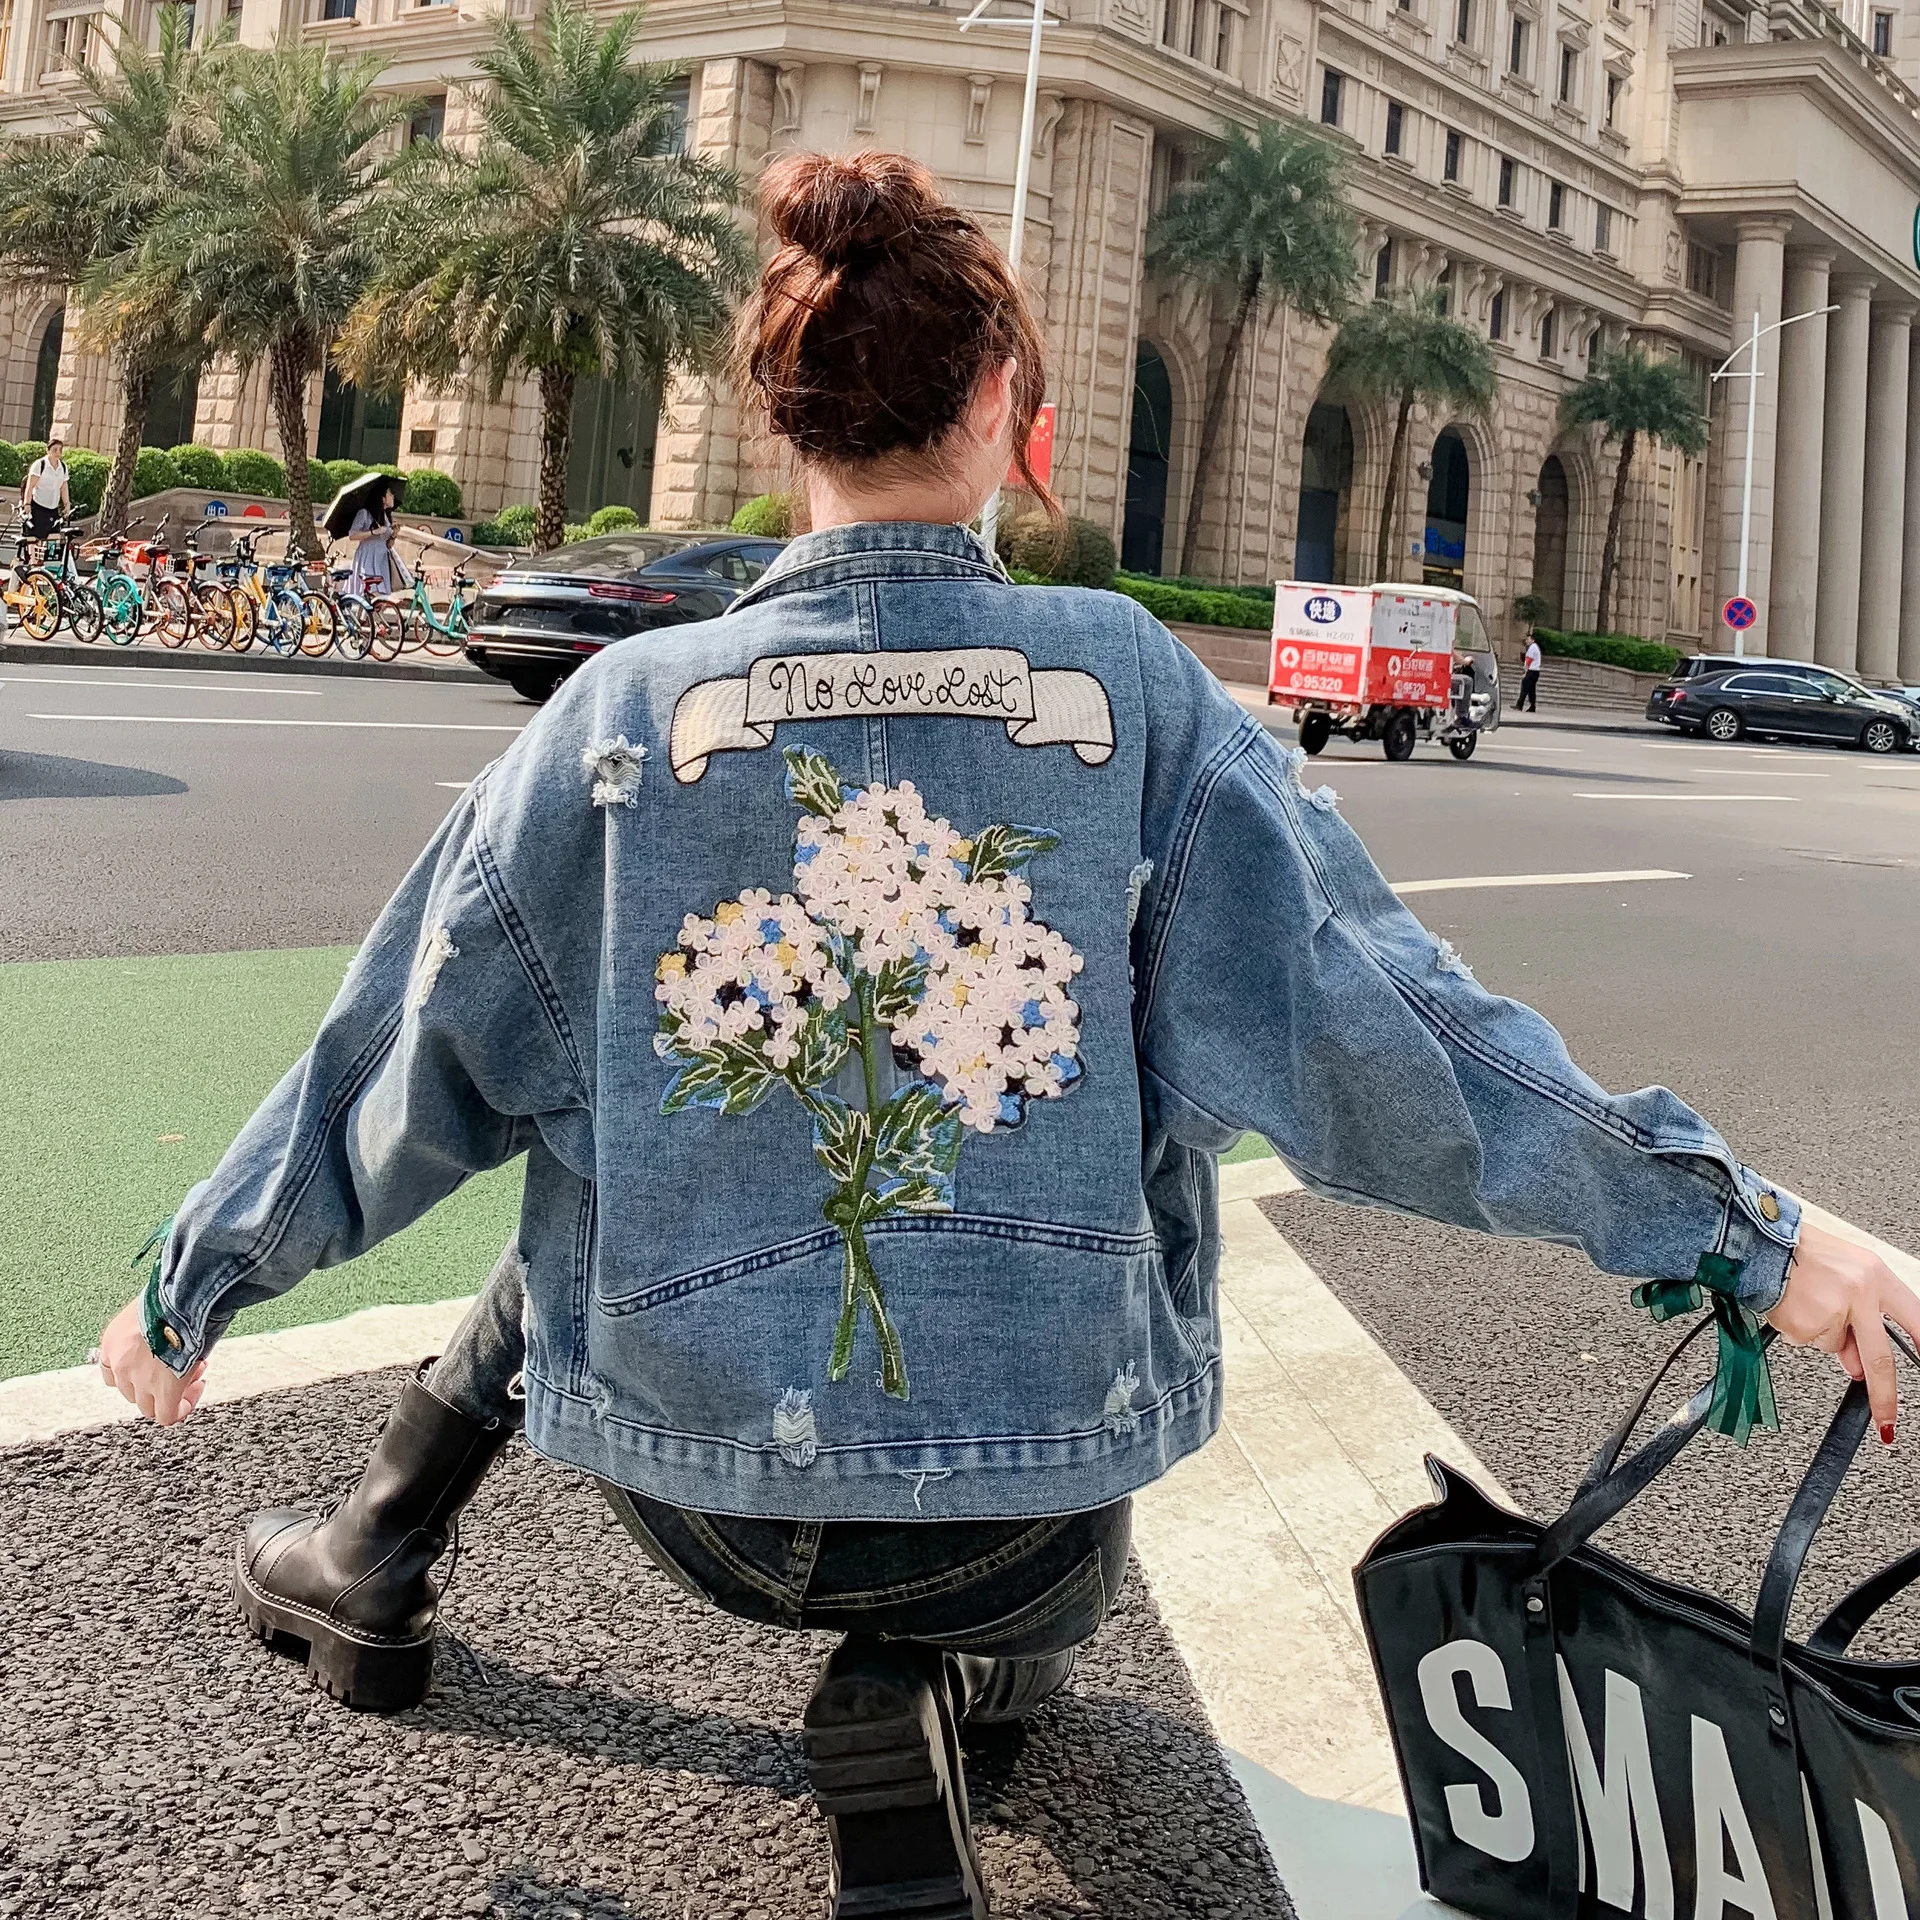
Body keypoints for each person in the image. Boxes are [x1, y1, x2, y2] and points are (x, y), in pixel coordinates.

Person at [96, 152, 1920, 1920]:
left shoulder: (617, 717)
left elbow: (404, 1051)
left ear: (779, 419)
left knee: (602, 1117)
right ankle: (933, 1687)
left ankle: (383, 1545)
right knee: (1030, 1494)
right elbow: (1401, 1050)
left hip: (697, 1502)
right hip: (1021, 1519)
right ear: (1009, 406)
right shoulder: (1131, 691)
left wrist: (199, 1277)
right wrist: (1744, 1236)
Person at [345, 480, 411, 598]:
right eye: (390, 494)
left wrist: (394, 534)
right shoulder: (365, 513)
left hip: (381, 559)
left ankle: (365, 616)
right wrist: (373, 532)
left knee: (379, 596)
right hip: (367, 558)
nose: (393, 497)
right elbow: (352, 535)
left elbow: (388, 545)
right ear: (382, 498)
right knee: (368, 594)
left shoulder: (386, 516)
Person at [21, 437, 71, 555]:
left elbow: (64, 487)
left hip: (53, 508)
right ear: (48, 450)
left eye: (60, 450)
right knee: (34, 538)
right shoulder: (40, 464)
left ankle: (50, 563)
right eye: (55, 450)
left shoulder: (62, 467)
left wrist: (67, 504)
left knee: (53, 536)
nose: (58, 453)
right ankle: (33, 562)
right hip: (38, 506)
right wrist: (27, 503)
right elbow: (30, 486)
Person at [1518, 630, 1543, 710]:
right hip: (1535, 672)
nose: (1527, 641)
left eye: (1528, 640)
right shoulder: (1535, 647)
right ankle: (1532, 706)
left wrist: (1525, 672)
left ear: (1532, 640)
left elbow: (1528, 661)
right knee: (1531, 689)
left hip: (1531, 671)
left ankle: (1519, 704)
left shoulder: (1532, 648)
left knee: (1525, 688)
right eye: (1526, 640)